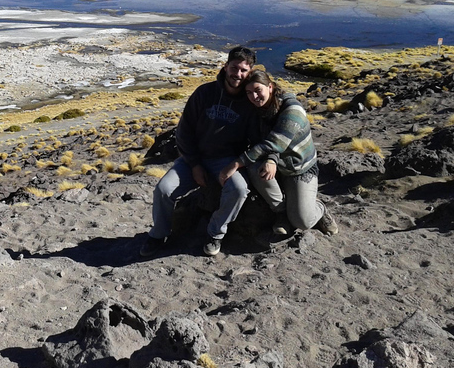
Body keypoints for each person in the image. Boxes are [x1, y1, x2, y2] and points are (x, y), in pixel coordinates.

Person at [140, 46, 257, 257]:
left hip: (228, 161)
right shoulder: (205, 93)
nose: (237, 74)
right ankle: (158, 234)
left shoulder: (251, 100)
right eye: (234, 67)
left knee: (239, 190)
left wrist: (239, 163)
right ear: (225, 66)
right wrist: (194, 164)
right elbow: (183, 132)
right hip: (194, 159)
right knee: (164, 190)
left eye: (243, 70)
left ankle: (215, 233)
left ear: (250, 72)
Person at [219, 70, 338, 236]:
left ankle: (320, 209)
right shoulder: (258, 110)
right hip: (277, 162)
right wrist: (271, 160)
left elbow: (275, 142)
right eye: (248, 92)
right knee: (255, 169)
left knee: (302, 221)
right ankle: (281, 212)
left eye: (257, 90)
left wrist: (235, 164)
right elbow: (264, 141)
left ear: (270, 87)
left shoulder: (292, 110)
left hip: (299, 168)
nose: (253, 96)